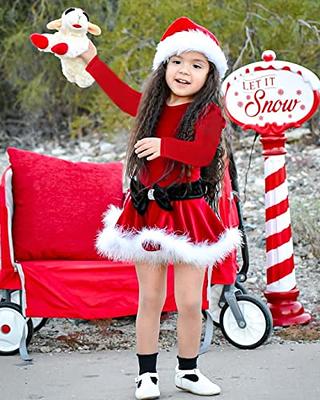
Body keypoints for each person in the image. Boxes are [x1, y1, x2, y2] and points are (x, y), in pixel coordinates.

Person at [80, 16, 241, 400]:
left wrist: (163, 146)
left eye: (196, 64)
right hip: (147, 212)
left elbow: (202, 153)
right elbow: (120, 94)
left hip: (188, 213)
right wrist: (89, 57)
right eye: (177, 62)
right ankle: (147, 375)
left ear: (209, 74)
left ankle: (188, 371)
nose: (185, 71)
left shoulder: (209, 113)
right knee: (149, 299)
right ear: (165, 65)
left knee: (189, 302)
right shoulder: (151, 107)